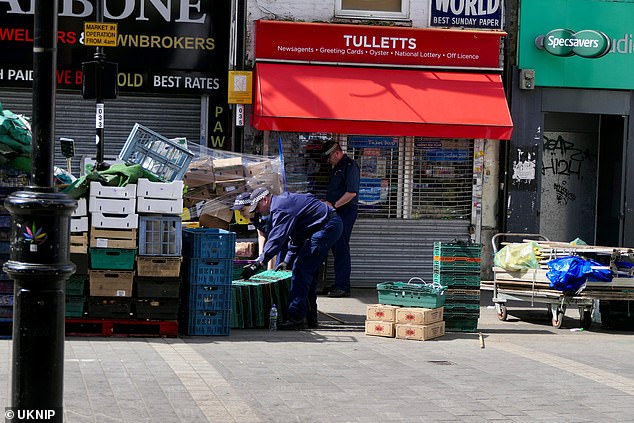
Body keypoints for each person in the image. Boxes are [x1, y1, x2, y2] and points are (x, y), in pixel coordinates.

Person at [240, 187, 343, 330]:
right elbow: (296, 237)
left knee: (300, 272)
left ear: (265, 199)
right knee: (308, 274)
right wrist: (287, 260)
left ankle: (296, 318)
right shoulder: (282, 204)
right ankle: (310, 317)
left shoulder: (281, 208)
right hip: (324, 226)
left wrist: (259, 263)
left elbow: (277, 238)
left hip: (326, 227)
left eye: (257, 207)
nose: (257, 211)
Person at [322, 140, 360, 298]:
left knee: (341, 248)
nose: (328, 161)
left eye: (329, 157)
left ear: (337, 153)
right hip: (336, 213)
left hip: (345, 212)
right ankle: (339, 282)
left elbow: (351, 193)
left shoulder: (350, 166)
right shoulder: (337, 167)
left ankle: (343, 286)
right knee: (336, 248)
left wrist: (334, 206)